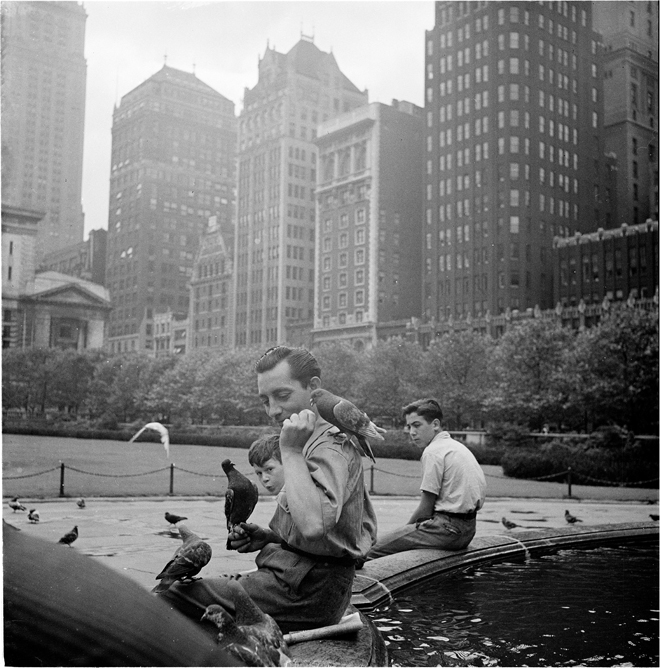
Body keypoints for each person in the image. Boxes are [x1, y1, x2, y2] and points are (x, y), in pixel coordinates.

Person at [160, 346, 377, 633]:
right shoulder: (309, 439)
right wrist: (267, 537)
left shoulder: (328, 447)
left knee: (173, 596)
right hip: (296, 580)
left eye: (282, 395)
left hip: (305, 593)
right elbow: (324, 531)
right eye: (265, 400)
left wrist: (289, 450)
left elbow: (314, 526)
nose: (273, 410)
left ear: (313, 388)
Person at [366, 398, 486, 560]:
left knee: (372, 550)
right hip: (468, 530)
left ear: (435, 424)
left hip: (446, 530)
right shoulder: (457, 447)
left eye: (417, 425)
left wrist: (405, 532)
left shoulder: (433, 451)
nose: (412, 432)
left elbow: (425, 508)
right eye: (409, 427)